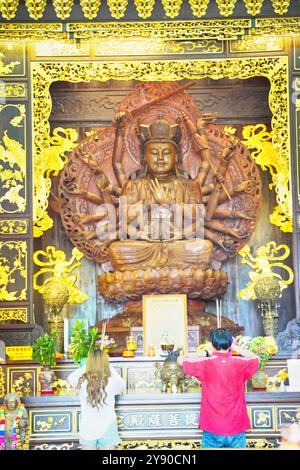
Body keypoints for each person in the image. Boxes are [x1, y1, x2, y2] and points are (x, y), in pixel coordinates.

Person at [178, 328, 260, 449]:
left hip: (212, 426)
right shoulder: (239, 363)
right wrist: (235, 347)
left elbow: (181, 360)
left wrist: (206, 352)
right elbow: (256, 359)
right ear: (230, 343)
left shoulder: (205, 363)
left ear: (212, 344)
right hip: (236, 425)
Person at [68, 348, 125, 450]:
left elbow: (70, 377)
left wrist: (89, 366)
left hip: (87, 428)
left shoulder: (82, 383)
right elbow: (122, 384)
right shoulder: (112, 382)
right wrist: (108, 366)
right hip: (107, 427)